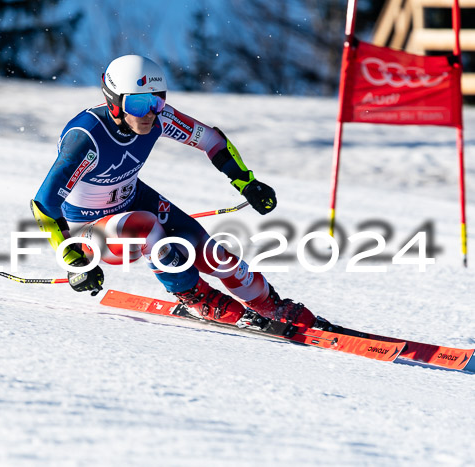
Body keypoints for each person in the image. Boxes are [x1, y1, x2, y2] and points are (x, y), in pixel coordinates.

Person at [31, 54, 316, 328]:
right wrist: (74, 262)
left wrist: (246, 182)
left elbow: (212, 141)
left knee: (206, 248)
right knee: (145, 226)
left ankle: (270, 304)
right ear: (114, 103)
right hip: (90, 231)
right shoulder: (86, 138)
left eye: (157, 101)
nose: (150, 114)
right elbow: (44, 205)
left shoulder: (159, 118)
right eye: (139, 105)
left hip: (133, 200)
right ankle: (196, 296)